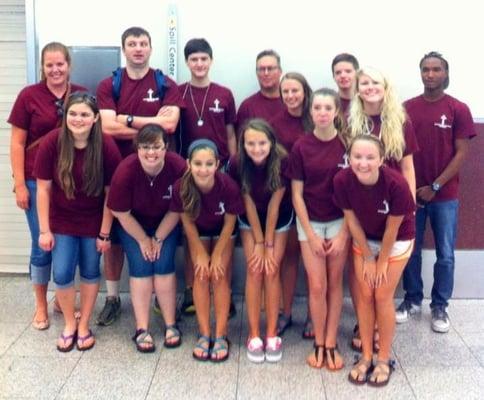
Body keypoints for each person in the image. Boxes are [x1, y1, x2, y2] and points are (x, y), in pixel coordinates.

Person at [96, 26, 183, 326]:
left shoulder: (164, 83)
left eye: (143, 43)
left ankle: (161, 299)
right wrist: (150, 130)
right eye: (132, 43)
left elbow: (169, 126)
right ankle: (112, 298)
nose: (137, 48)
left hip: (156, 170)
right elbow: (106, 127)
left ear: (150, 48)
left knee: (158, 228)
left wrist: (129, 119)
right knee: (117, 240)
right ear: (124, 48)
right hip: (114, 169)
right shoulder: (110, 85)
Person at [8, 42, 86, 330]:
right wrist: (19, 184)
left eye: (60, 64)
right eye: (49, 64)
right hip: (33, 178)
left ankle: (63, 299)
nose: (55, 69)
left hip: (69, 182)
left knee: (69, 242)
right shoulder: (29, 96)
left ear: (68, 65)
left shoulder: (80, 94)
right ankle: (41, 305)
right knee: (42, 243)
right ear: (42, 66)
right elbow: (17, 142)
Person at [397, 52, 476, 333]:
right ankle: (412, 299)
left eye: (436, 69)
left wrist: (435, 186)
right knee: (410, 251)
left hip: (444, 196)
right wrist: (411, 189)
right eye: (426, 70)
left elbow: (461, 154)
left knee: (445, 254)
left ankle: (440, 305)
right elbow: (401, 152)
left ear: (445, 73)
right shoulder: (406, 108)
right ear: (420, 74)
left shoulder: (458, 109)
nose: (430, 74)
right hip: (413, 195)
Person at [34, 92, 121, 352]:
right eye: (73, 113)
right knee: (61, 272)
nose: (78, 119)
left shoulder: (106, 145)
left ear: (95, 118)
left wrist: (105, 233)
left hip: (94, 219)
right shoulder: (52, 142)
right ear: (65, 116)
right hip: (61, 220)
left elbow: (111, 195)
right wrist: (44, 230)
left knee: (91, 270)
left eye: (84, 114)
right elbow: (43, 190)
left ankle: (84, 327)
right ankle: (70, 324)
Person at [333, 134, 415, 387]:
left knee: (381, 295)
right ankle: (366, 355)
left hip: (397, 238)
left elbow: (392, 230)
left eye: (370, 157)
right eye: (357, 157)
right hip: (365, 237)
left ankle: (383, 359)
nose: (363, 163)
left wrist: (381, 262)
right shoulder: (342, 180)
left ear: (381, 160)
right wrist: (368, 256)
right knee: (365, 295)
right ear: (349, 158)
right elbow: (351, 220)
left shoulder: (396, 184)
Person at [347, 67, 418, 352]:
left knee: (383, 276)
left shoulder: (399, 122)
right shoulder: (351, 121)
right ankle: (364, 324)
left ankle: (378, 327)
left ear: (385, 88)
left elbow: (408, 167)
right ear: (358, 88)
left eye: (375, 82)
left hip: (393, 208)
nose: (370, 87)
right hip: (361, 208)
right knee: (363, 276)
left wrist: (409, 207)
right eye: (364, 83)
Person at [107, 124, 185, 353]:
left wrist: (158, 238)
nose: (151, 153)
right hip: (133, 225)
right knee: (141, 266)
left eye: (157, 147)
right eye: (146, 147)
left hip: (166, 222)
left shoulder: (178, 166)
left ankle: (170, 325)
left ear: (166, 147)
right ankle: (142, 329)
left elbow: (179, 208)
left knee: (163, 265)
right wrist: (143, 239)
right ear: (137, 148)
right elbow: (120, 212)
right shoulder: (126, 170)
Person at [288, 88, 350, 369]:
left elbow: (355, 194)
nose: (322, 113)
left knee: (334, 284)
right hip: (310, 222)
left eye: (328, 108)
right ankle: (318, 343)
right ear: (310, 112)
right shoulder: (301, 147)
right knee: (316, 284)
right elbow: (297, 195)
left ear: (336, 111)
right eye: (317, 108)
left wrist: (344, 233)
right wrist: (310, 235)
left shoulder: (348, 145)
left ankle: (331, 342)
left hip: (340, 221)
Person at [178, 38, 237, 315]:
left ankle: (224, 291)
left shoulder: (224, 94)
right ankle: (192, 293)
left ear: (210, 61)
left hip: (220, 168)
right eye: (193, 60)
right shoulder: (178, 94)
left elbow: (230, 134)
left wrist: (233, 165)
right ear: (187, 63)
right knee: (194, 234)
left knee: (225, 233)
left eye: (203, 59)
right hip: (190, 171)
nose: (199, 64)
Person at [171, 139, 243, 362]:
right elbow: (187, 223)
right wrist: (201, 254)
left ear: (217, 164)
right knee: (201, 275)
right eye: (198, 164)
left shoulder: (228, 186)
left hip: (223, 231)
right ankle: (204, 333)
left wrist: (217, 255)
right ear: (188, 164)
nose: (203, 170)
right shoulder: (181, 187)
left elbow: (230, 223)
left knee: (219, 275)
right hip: (197, 231)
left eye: (209, 164)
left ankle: (221, 334)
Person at [228, 118, 291, 363]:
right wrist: (257, 241)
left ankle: (272, 333)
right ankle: (254, 335)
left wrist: (268, 244)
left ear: (271, 142)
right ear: (243, 144)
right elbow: (247, 201)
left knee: (272, 269)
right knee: (255, 269)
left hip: (279, 218)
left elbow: (275, 204)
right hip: (249, 217)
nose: (256, 148)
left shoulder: (283, 161)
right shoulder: (236, 162)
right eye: (250, 143)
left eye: (262, 143)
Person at [270, 72, 314, 339]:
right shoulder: (275, 123)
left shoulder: (317, 117)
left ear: (304, 91)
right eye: (285, 92)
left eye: (295, 91)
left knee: (313, 263)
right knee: (289, 258)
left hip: (316, 201)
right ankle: (285, 313)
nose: (290, 96)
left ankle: (313, 314)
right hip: (286, 198)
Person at [236, 50, 284, 131]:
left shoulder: (292, 102)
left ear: (280, 71)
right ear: (256, 73)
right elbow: (241, 141)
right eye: (261, 69)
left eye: (270, 68)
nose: (266, 73)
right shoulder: (247, 107)